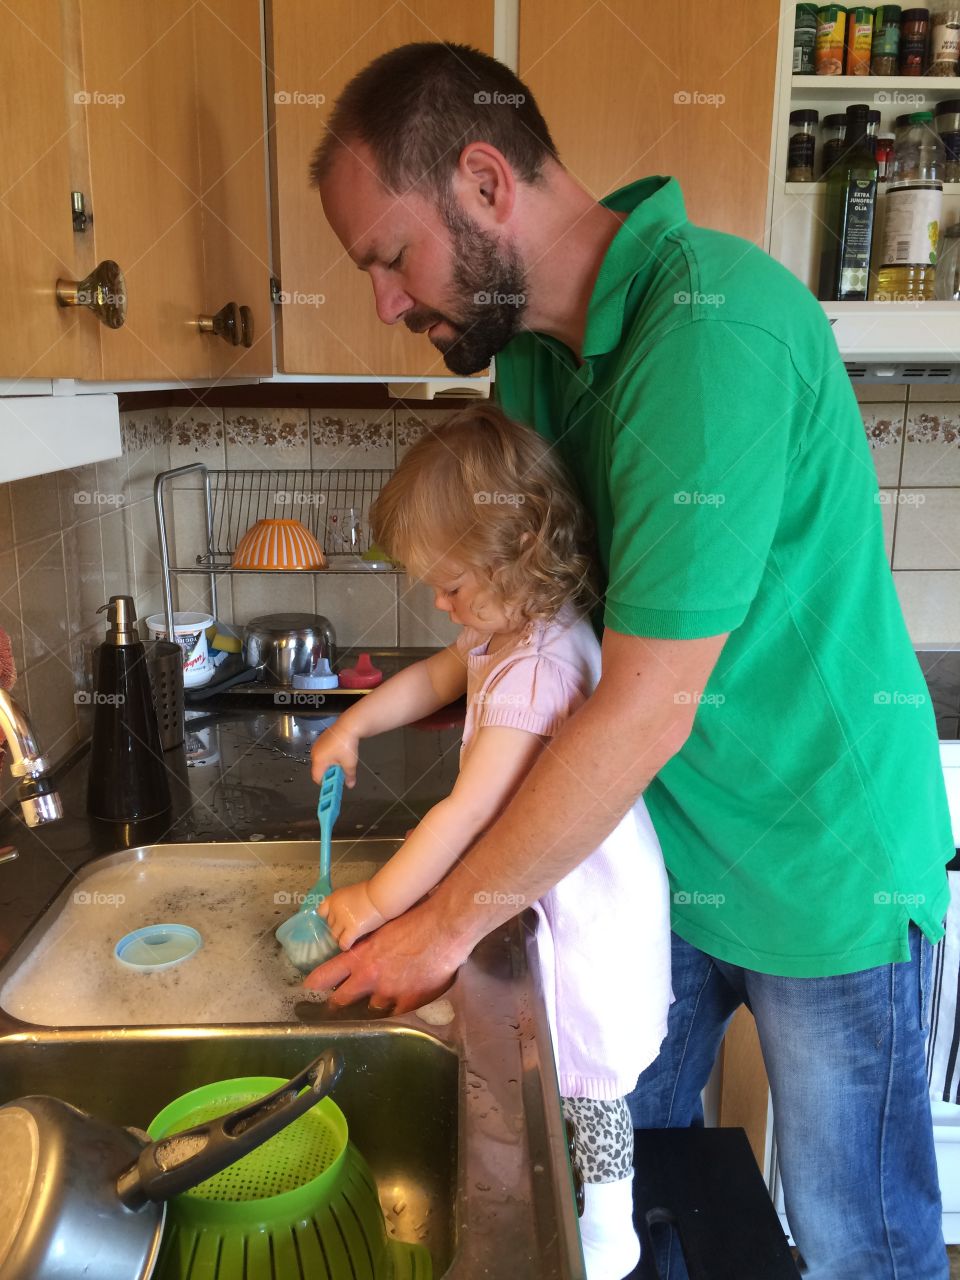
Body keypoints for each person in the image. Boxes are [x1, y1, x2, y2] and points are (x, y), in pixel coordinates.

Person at [305, 41, 954, 1279]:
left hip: (822, 861)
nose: (386, 301)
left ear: (486, 184)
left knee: (858, 1237)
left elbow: (647, 700)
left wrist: (440, 920)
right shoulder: (536, 364)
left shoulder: (711, 326)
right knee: (628, 1186)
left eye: (390, 257)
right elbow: (538, 617)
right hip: (655, 855)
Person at [310, 405, 672, 1279]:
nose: (440, 605)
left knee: (591, 1077)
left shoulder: (538, 666)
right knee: (560, 1071)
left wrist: (376, 901)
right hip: (547, 885)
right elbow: (439, 673)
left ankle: (611, 1234)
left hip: (589, 905)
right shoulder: (507, 624)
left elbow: (467, 814)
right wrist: (353, 724)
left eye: (451, 586)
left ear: (520, 553)